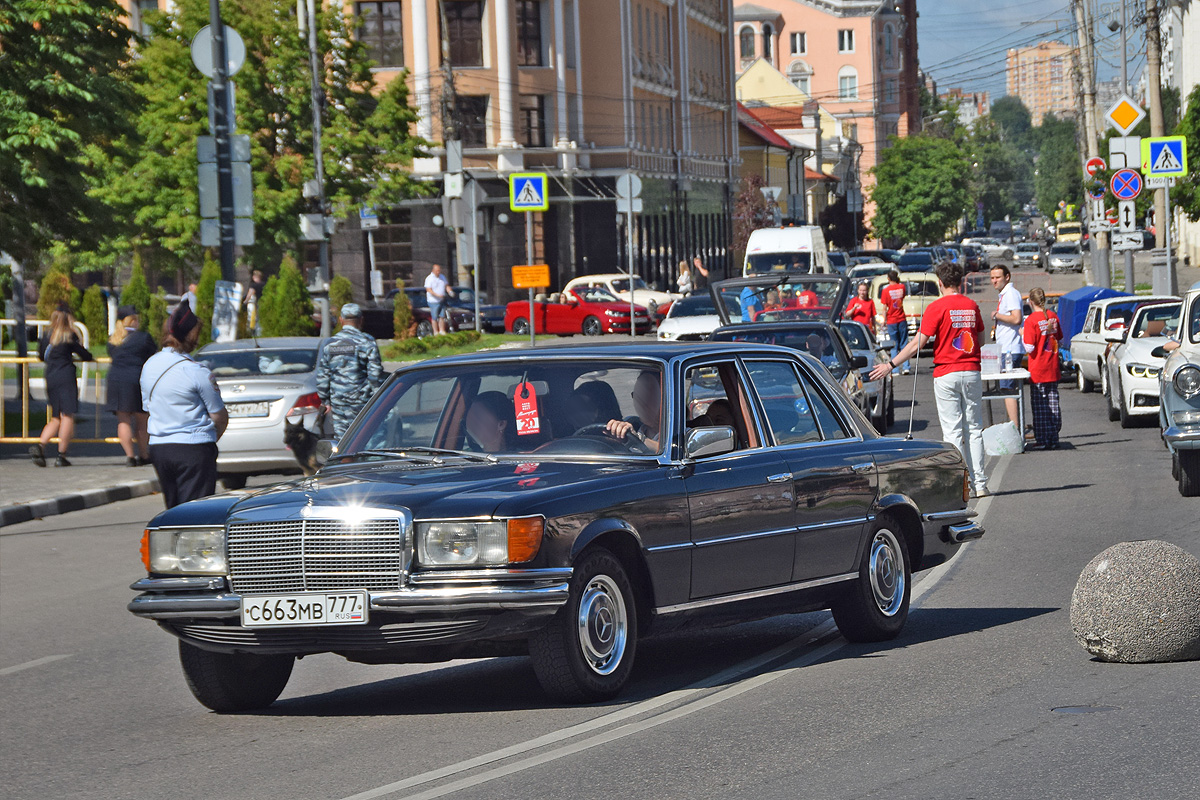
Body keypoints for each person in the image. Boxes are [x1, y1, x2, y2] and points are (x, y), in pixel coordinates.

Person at [871, 261, 989, 498]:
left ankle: (960, 483)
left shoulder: (937, 307)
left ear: (941, 283)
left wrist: (891, 364)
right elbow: (981, 339)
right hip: (971, 369)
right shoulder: (971, 305)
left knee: (953, 431)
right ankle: (981, 483)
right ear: (960, 281)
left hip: (946, 371)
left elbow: (917, 343)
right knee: (974, 428)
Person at [140, 301, 228, 508]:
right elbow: (219, 416)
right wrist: (209, 441)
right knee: (195, 514)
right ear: (189, 336)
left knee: (173, 511)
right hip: (193, 448)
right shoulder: (196, 371)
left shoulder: (149, 365)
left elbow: (148, 408)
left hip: (160, 448)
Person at [30, 305, 94, 467]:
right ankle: (61, 455)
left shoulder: (46, 336)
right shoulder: (69, 335)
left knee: (55, 417)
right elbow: (85, 355)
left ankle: (40, 446)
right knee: (67, 416)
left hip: (51, 376)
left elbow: (40, 355)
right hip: (65, 376)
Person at [315, 303, 385, 438]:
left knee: (343, 441)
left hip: (338, 401)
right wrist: (378, 398)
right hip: (362, 401)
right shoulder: (367, 341)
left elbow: (323, 376)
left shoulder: (330, 344)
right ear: (361, 320)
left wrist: (325, 401)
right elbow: (375, 375)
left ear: (341, 320)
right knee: (365, 437)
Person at [105, 305, 157, 466]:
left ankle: (129, 457)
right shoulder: (143, 338)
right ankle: (144, 454)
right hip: (135, 380)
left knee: (123, 419)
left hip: (115, 380)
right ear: (134, 320)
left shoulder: (113, 339)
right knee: (142, 419)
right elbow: (153, 353)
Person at [1022, 287, 1064, 450]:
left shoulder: (1031, 320)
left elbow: (1030, 348)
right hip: (1052, 367)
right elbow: (1059, 339)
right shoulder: (1052, 316)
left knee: (1039, 406)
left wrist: (1021, 334)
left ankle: (1042, 439)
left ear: (1031, 302)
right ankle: (1054, 436)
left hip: (1038, 369)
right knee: (1053, 403)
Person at [990, 264, 1024, 429]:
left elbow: (1016, 318)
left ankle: (1015, 428)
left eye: (998, 277)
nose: (994, 281)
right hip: (1005, 348)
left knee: (1008, 389)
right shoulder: (1005, 294)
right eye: (992, 278)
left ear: (1007, 277)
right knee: (1007, 388)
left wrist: (997, 315)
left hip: (1010, 350)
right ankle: (1013, 423)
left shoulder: (1010, 294)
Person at [605, 370, 662, 450]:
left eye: (649, 396)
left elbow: (672, 451)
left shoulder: (681, 433)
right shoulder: (632, 423)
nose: (641, 402)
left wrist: (639, 439)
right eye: (637, 395)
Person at [881, 270, 910, 374]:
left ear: (888, 279)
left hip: (891, 320)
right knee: (904, 344)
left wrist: (883, 320)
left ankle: (895, 369)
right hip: (901, 318)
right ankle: (906, 367)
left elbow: (884, 308)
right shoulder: (902, 287)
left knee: (894, 345)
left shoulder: (885, 291)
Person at [424, 263, 453, 335]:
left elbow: (446, 285)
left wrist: (450, 291)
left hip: (441, 300)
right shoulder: (429, 278)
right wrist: (437, 295)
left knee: (442, 316)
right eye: (437, 271)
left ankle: (442, 330)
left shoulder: (442, 277)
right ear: (433, 270)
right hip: (433, 301)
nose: (438, 272)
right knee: (434, 316)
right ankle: (435, 332)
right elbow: (428, 289)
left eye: (439, 270)